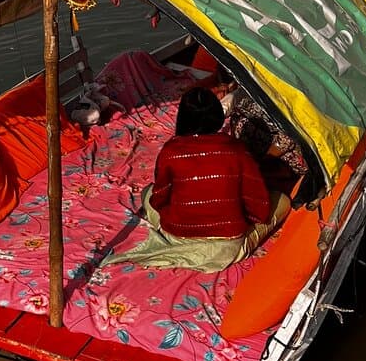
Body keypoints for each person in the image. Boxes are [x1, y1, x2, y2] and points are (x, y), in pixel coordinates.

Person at [103, 86, 290, 271]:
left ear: (183, 118)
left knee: (147, 192)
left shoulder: (171, 151)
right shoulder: (237, 150)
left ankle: (190, 243)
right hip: (227, 248)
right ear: (217, 116)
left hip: (178, 236)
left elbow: (159, 198)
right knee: (283, 201)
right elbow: (257, 206)